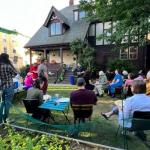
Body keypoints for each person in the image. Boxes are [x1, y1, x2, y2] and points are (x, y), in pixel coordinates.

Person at [0, 53, 17, 123]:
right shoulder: (8, 66)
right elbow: (15, 73)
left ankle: (1, 119)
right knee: (8, 103)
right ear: (6, 58)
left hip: (1, 87)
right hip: (9, 86)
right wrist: (10, 76)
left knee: (2, 103)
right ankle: (6, 118)